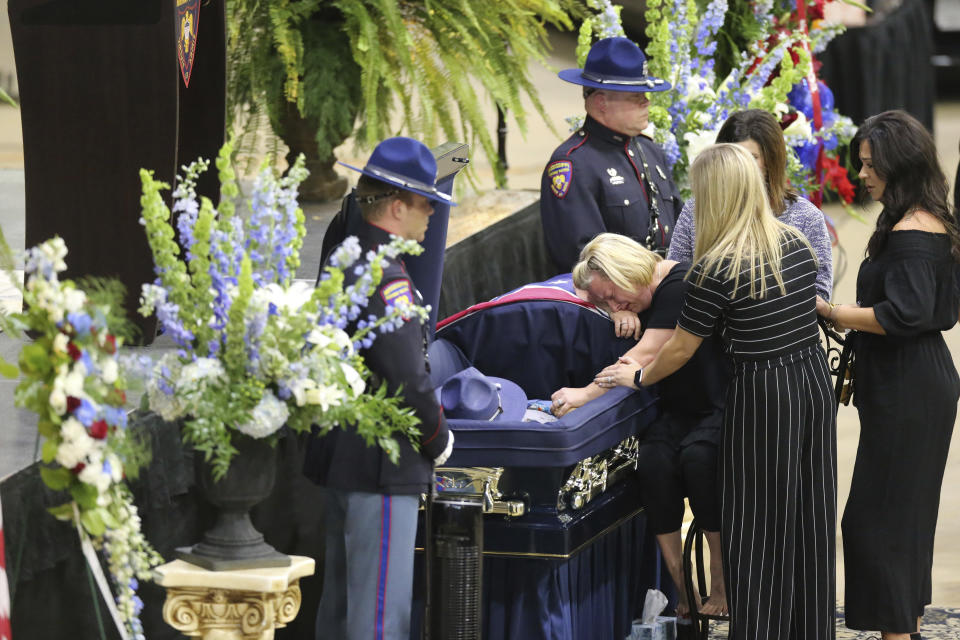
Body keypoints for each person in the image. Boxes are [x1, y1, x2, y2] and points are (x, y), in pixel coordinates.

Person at [596, 144, 837, 640]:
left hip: (763, 396)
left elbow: (680, 350)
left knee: (754, 524)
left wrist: (637, 377)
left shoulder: (714, 269)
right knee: (807, 517)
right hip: (811, 386)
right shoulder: (794, 241)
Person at [816, 110, 960, 640]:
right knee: (903, 520)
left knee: (879, 526)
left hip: (910, 387)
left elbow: (902, 315)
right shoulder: (922, 219)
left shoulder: (912, 233)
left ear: (898, 165)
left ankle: (899, 632)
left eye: (870, 165)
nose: (861, 175)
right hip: (911, 384)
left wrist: (827, 311)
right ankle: (908, 626)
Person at [303, 136, 455, 640]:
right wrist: (438, 438)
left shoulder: (347, 256)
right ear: (396, 206)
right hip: (383, 464)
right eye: (426, 203)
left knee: (342, 610)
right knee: (379, 619)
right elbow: (407, 377)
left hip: (342, 452)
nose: (432, 214)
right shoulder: (388, 278)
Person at [550, 233, 733, 621]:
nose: (614, 304)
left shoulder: (679, 284)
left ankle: (720, 582)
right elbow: (587, 292)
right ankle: (682, 585)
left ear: (628, 269)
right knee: (652, 466)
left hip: (718, 405)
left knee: (700, 462)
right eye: (606, 301)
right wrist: (616, 309)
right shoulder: (635, 296)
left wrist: (583, 394)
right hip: (677, 411)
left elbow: (648, 353)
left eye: (615, 294)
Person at [540, 36, 683, 272]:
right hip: (617, 300)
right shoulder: (573, 164)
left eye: (646, 96)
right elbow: (584, 261)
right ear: (601, 103)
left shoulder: (649, 150)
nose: (646, 103)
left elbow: (681, 228)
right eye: (636, 98)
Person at [668, 108, 834, 300]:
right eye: (733, 156)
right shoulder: (697, 209)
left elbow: (819, 296)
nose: (741, 166)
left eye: (751, 158)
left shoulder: (806, 217)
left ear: (772, 160)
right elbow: (675, 279)